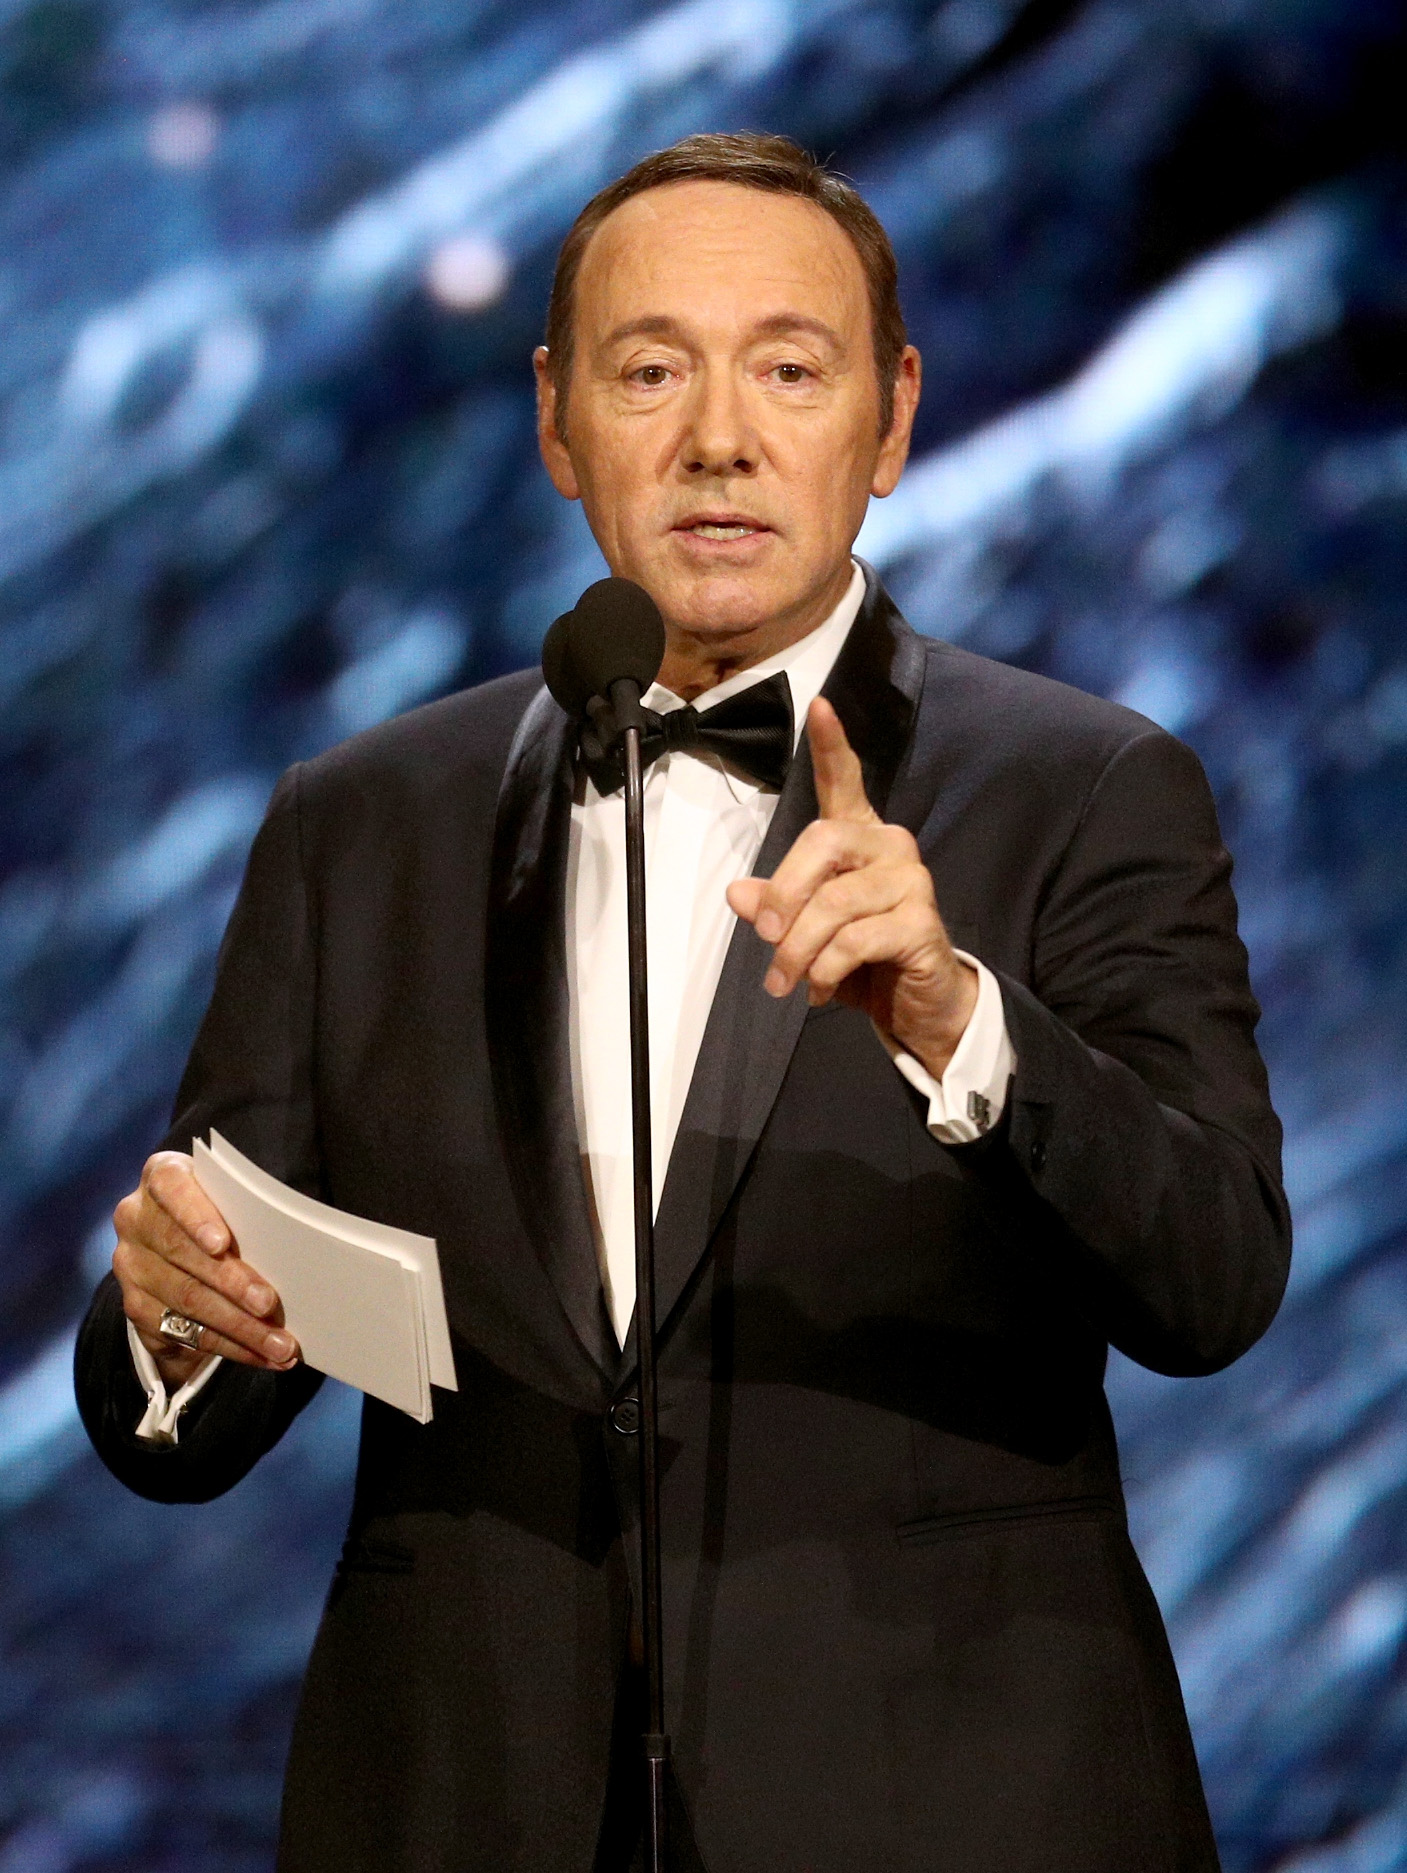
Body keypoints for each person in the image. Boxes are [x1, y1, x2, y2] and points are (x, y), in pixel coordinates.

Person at [74, 133, 1290, 1873]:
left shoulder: (1090, 785)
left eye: (790, 368)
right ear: (560, 420)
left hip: (950, 1808)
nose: (720, 436)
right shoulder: (357, 823)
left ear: (892, 417)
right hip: (466, 1810)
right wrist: (173, 1325)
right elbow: (191, 1373)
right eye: (653, 371)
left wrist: (963, 1022)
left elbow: (1217, 1278)